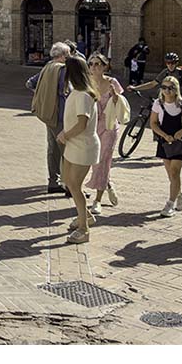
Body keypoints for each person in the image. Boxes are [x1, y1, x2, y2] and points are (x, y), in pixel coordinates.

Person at [57, 55, 101, 244]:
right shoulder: (77, 92)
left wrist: (65, 135)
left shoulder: (83, 95)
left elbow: (82, 124)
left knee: (75, 186)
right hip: (73, 145)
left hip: (83, 146)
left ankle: (84, 229)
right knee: (67, 181)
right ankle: (86, 216)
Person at [27, 41, 74, 197]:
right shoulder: (61, 70)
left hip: (48, 114)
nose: (69, 57)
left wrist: (44, 95)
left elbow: (30, 83)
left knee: (52, 149)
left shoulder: (47, 67)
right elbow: (67, 92)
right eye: (67, 55)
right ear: (61, 56)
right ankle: (69, 186)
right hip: (61, 115)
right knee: (67, 151)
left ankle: (53, 182)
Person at [84, 53, 126, 213]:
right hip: (92, 126)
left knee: (104, 160)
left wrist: (114, 96)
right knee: (95, 161)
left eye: (97, 64)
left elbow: (120, 104)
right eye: (92, 64)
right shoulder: (86, 83)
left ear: (104, 66)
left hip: (109, 126)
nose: (94, 67)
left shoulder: (112, 82)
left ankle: (97, 200)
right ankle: (107, 183)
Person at [150, 75, 182, 217]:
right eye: (164, 88)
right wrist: (164, 135)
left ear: (176, 90)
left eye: (170, 88)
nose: (167, 91)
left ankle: (170, 203)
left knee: (175, 172)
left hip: (180, 142)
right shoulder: (158, 104)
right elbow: (153, 123)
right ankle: (179, 195)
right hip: (165, 141)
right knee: (171, 173)